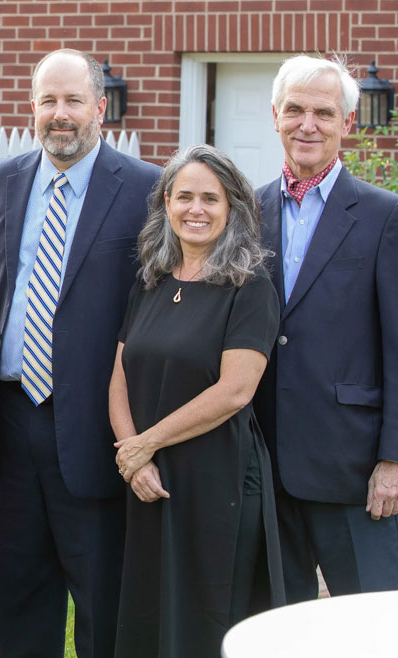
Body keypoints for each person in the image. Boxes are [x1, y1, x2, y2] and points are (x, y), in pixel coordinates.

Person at [0, 49, 161, 658]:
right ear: (32, 107)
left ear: (99, 108)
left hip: (99, 428)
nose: (60, 114)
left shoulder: (146, 189)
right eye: (48, 100)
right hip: (13, 420)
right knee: (20, 608)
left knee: (104, 607)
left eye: (73, 100)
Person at [253, 55, 398, 601]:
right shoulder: (249, 212)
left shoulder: (386, 216)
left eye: (323, 113)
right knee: (278, 630)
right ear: (275, 115)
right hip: (266, 468)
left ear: (347, 124)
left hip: (355, 470)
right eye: (295, 110)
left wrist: (396, 459)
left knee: (377, 631)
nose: (307, 124)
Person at [109, 144, 284, 658]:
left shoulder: (250, 286)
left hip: (219, 478)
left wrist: (144, 445)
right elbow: (119, 373)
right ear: (167, 203)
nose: (196, 209)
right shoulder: (152, 280)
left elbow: (236, 389)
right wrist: (131, 455)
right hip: (149, 479)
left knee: (208, 615)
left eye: (211, 198)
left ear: (232, 208)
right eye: (184, 196)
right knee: (149, 608)